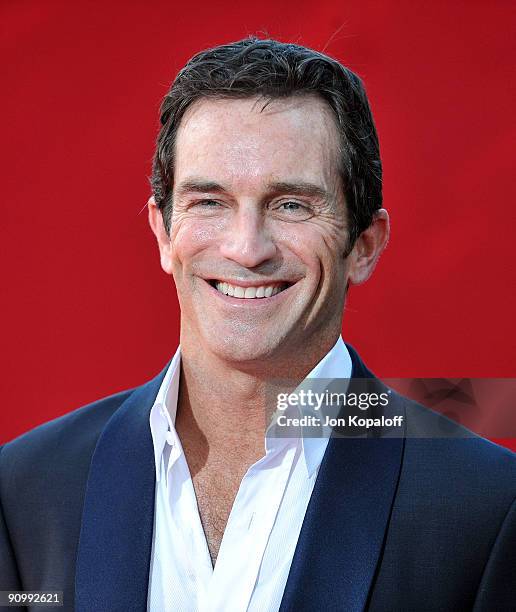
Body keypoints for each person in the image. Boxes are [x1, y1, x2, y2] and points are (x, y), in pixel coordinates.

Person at [0, 38, 514, 612]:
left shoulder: (488, 509)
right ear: (164, 233)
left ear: (364, 246)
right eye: (209, 202)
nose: (246, 249)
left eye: (291, 204)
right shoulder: (25, 492)